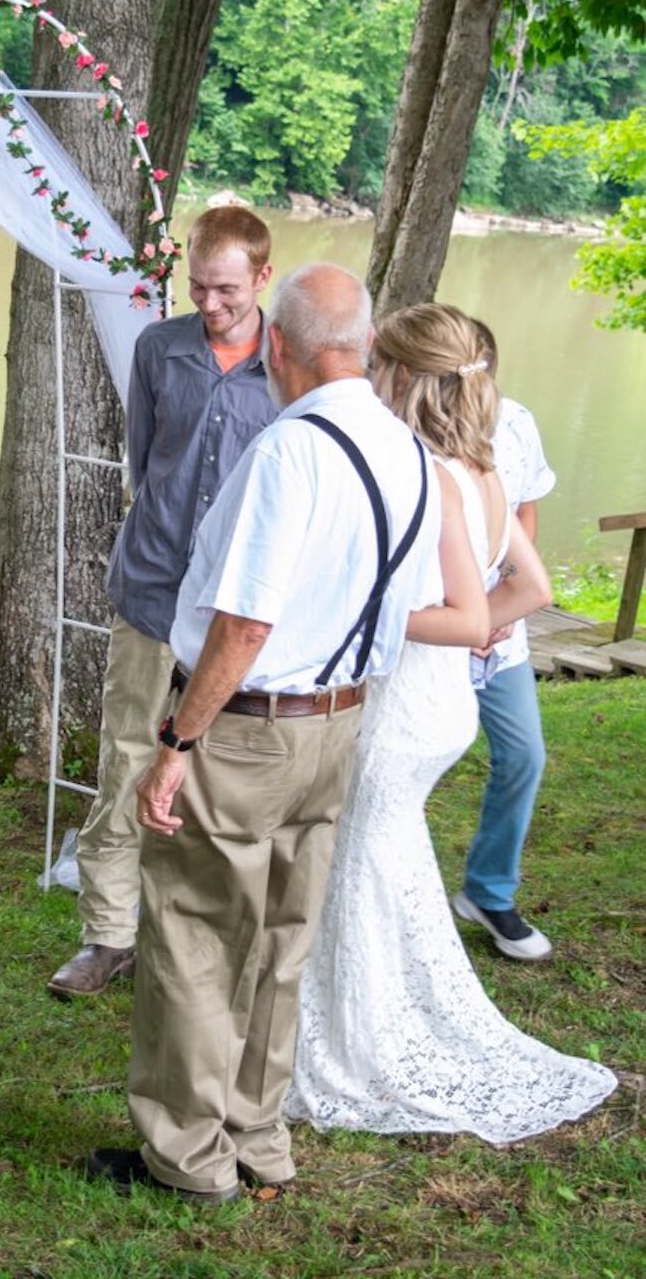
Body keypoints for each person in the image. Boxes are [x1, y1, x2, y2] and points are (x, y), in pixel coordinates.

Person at [88, 264, 445, 1204]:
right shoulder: (410, 451)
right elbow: (407, 602)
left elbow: (245, 624)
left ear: (278, 346)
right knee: (284, 937)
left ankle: (187, 1156)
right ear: (362, 345)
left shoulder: (290, 452)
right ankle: (257, 1132)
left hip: (250, 730)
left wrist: (177, 742)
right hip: (338, 723)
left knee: (197, 934)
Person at [284, 303, 617, 1142]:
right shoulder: (486, 469)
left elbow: (462, 614)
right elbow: (532, 590)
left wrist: (356, 613)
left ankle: (358, 1043)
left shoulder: (423, 473)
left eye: (377, 367)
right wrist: (464, 629)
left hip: (399, 710)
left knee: (358, 862)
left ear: (400, 375)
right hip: (446, 704)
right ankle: (371, 1010)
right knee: (386, 857)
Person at [47, 207, 277, 999]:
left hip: (233, 611)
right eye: (198, 287)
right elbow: (145, 461)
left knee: (217, 778)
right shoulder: (159, 348)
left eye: (227, 291)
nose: (209, 304)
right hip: (151, 592)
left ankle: (198, 941)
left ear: (263, 278)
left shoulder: (292, 366)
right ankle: (108, 935)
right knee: (127, 760)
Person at [451, 318, 556, 960]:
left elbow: (525, 508)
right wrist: (463, 620)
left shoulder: (517, 423)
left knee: (523, 756)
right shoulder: (412, 431)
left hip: (503, 631)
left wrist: (507, 605)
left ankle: (488, 890)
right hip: (436, 629)